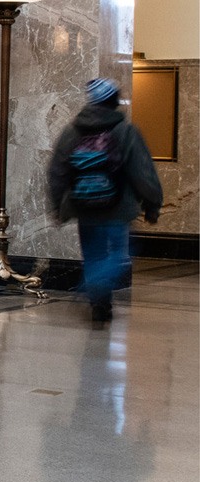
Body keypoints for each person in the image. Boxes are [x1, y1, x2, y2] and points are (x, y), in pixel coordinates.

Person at [46, 76, 163, 325]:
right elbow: (142, 171)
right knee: (122, 252)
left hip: (84, 207)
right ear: (113, 102)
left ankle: (99, 303)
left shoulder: (73, 131)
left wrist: (58, 205)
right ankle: (93, 285)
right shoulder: (125, 131)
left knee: (94, 255)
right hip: (118, 208)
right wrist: (152, 203)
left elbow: (58, 170)